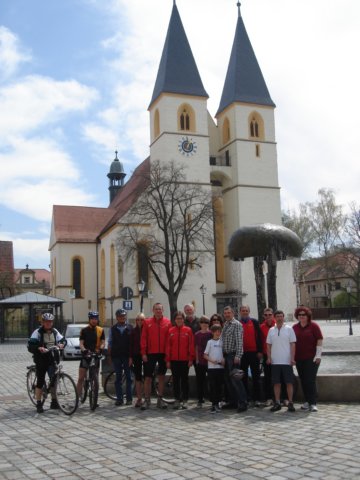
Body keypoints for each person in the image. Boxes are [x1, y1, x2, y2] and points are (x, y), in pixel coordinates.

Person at [27, 313, 66, 413]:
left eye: (50, 322)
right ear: (42, 322)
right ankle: (39, 403)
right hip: (41, 359)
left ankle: (54, 401)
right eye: (46, 322)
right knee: (40, 381)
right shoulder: (38, 332)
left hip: (53, 359)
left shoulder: (55, 331)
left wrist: (62, 344)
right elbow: (30, 345)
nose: (49, 323)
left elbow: (63, 340)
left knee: (54, 380)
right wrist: (38, 348)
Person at [140, 302, 171, 410]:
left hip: (163, 353)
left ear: (163, 310)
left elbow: (169, 340)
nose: (158, 311)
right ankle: (147, 400)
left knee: (161, 377)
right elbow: (143, 338)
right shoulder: (147, 322)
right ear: (153, 310)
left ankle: (160, 399)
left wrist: (168, 355)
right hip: (150, 353)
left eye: (160, 309)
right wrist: (143, 353)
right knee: (147, 377)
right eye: (156, 309)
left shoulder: (168, 322)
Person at [293, 306, 323, 412]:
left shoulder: (313, 326)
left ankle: (313, 403)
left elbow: (319, 339)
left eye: (303, 315)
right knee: (303, 380)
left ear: (308, 316)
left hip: (312, 358)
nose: (301, 316)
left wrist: (318, 355)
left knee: (310, 380)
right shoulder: (294, 327)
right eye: (299, 315)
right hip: (299, 358)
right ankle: (307, 401)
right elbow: (292, 343)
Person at [266, 310, 296, 412]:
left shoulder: (289, 329)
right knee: (276, 383)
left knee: (289, 383)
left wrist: (292, 358)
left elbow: (292, 344)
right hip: (275, 361)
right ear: (275, 318)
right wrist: (269, 358)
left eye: (281, 316)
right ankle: (277, 402)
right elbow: (268, 345)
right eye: (277, 316)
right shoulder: (271, 330)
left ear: (283, 317)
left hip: (287, 361)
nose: (279, 318)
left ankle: (291, 402)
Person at [166, 311, 195, 409]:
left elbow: (191, 345)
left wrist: (191, 358)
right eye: (177, 318)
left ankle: (185, 400)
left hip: (184, 360)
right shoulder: (171, 331)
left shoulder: (188, 330)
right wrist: (168, 360)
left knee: (184, 380)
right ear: (175, 320)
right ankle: (177, 400)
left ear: (183, 319)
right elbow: (168, 346)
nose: (179, 320)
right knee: (176, 381)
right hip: (174, 360)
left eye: (181, 318)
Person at [221, 305, 247, 412]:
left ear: (233, 313)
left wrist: (238, 355)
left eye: (229, 313)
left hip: (233, 356)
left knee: (236, 381)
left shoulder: (237, 324)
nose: (227, 315)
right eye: (225, 313)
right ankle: (233, 402)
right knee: (229, 381)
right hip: (226, 356)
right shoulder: (226, 324)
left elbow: (239, 341)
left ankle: (243, 403)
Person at [76, 311, 105, 399]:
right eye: (92, 319)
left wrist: (101, 348)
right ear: (89, 319)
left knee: (95, 376)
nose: (94, 321)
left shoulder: (101, 330)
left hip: (95, 355)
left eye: (95, 319)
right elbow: (81, 343)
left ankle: (95, 398)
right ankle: (78, 396)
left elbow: (103, 342)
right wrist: (84, 350)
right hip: (86, 355)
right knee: (81, 377)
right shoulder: (84, 330)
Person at [107, 308, 133, 406]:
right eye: (120, 316)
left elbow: (132, 344)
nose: (122, 317)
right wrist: (109, 356)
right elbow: (110, 343)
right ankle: (119, 398)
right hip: (116, 356)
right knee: (118, 378)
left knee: (129, 378)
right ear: (117, 318)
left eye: (123, 316)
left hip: (127, 356)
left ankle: (129, 399)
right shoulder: (112, 329)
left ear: (125, 316)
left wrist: (131, 357)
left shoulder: (130, 327)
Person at [239, 305, 263, 406]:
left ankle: (257, 398)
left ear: (249, 312)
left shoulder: (254, 322)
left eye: (246, 310)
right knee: (243, 377)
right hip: (242, 354)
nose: (245, 312)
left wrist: (260, 351)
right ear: (240, 312)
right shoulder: (237, 323)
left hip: (254, 353)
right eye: (243, 311)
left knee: (256, 377)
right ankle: (246, 398)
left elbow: (259, 336)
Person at [204, 324, 225, 413]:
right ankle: (213, 404)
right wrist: (212, 361)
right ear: (212, 332)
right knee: (213, 386)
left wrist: (223, 360)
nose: (217, 333)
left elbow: (225, 353)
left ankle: (219, 402)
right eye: (216, 331)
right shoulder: (210, 342)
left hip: (220, 368)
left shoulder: (222, 342)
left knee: (219, 386)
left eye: (219, 331)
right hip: (212, 368)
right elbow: (205, 355)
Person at [194, 315, 212, 407]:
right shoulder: (197, 334)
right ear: (200, 324)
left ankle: (213, 399)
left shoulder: (211, 334)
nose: (204, 324)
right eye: (202, 322)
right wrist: (196, 359)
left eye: (206, 322)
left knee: (211, 380)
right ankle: (200, 399)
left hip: (209, 360)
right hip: (200, 360)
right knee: (200, 381)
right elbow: (196, 347)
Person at [260, 307, 276, 406]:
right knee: (268, 377)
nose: (268, 317)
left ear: (273, 315)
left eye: (270, 315)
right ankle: (269, 398)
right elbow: (260, 341)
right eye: (266, 315)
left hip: (278, 355)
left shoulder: (278, 325)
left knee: (280, 377)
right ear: (263, 316)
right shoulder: (261, 327)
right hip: (266, 355)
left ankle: (282, 398)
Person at [130, 313, 146, 408]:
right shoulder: (133, 331)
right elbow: (130, 345)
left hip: (146, 355)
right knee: (138, 377)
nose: (140, 321)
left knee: (148, 376)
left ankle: (145, 396)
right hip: (136, 356)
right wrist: (130, 357)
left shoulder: (147, 330)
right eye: (138, 319)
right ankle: (139, 398)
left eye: (142, 319)